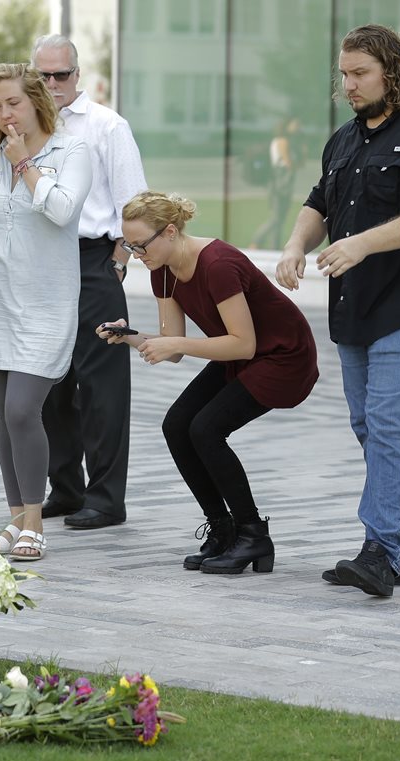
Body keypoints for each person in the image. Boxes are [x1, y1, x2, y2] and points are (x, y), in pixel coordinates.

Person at [276, 24, 400, 596]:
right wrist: (295, 245)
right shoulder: (343, 139)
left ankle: (380, 551)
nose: (349, 84)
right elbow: (319, 202)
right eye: (344, 74)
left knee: (390, 422)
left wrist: (362, 243)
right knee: (370, 426)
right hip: (355, 306)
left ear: (393, 70)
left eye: (360, 73)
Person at [101, 191, 319, 573]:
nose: (135, 255)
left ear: (170, 232)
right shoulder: (162, 270)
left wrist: (174, 343)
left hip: (282, 355)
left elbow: (242, 342)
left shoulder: (218, 264)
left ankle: (253, 535)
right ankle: (222, 530)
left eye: (140, 245)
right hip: (240, 353)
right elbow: (173, 348)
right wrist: (130, 336)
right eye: (129, 246)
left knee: (206, 428)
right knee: (176, 425)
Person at [0, 63, 92, 562]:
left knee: (21, 410)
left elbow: (63, 211)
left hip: (46, 305)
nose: (5, 113)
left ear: (37, 101)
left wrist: (25, 164)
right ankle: (16, 519)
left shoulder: (71, 151)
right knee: (4, 416)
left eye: (13, 102)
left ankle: (34, 522)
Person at [30, 34, 147, 530]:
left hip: (93, 261)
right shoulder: (24, 127)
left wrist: (118, 262)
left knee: (102, 387)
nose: (53, 83)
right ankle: (66, 488)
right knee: (48, 384)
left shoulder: (107, 126)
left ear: (77, 75)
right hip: (40, 266)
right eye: (43, 75)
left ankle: (106, 498)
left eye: (62, 74)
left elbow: (135, 204)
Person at [250, 117, 301, 250]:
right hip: (280, 185)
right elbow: (288, 162)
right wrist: (296, 162)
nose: (297, 127)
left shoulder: (282, 141)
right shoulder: (283, 141)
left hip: (280, 185)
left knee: (280, 219)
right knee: (276, 218)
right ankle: (257, 240)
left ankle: (275, 247)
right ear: (287, 126)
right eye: (295, 124)